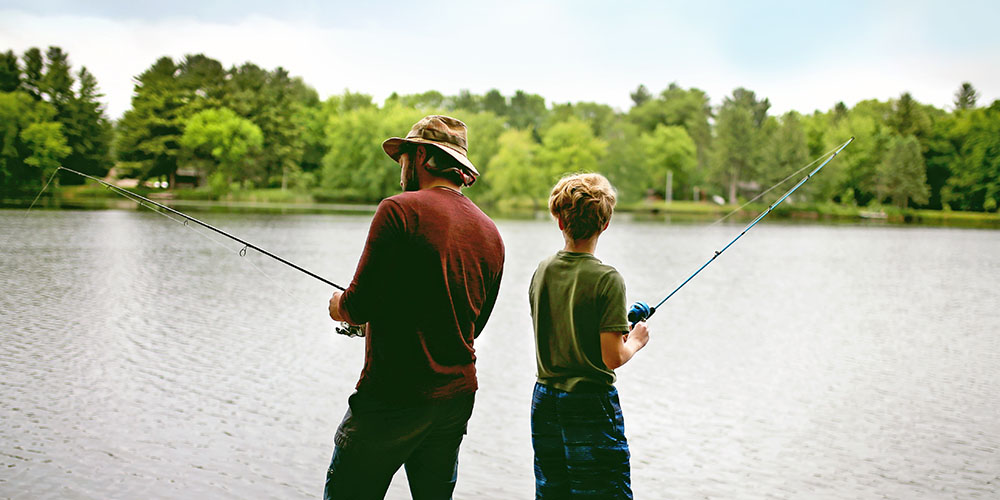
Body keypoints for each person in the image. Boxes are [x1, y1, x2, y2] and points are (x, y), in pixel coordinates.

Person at [325, 115, 505, 500]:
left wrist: (339, 305)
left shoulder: (398, 210)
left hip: (391, 397)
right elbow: (473, 323)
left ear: (421, 156)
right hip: (455, 400)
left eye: (404, 156)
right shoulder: (491, 232)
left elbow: (358, 305)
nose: (400, 168)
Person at [528, 173, 650, 499]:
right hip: (589, 404)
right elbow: (612, 357)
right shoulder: (608, 279)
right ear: (605, 224)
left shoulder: (543, 270)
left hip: (544, 401)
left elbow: (564, 326)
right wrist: (634, 340)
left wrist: (616, 324)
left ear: (559, 220)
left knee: (553, 491)